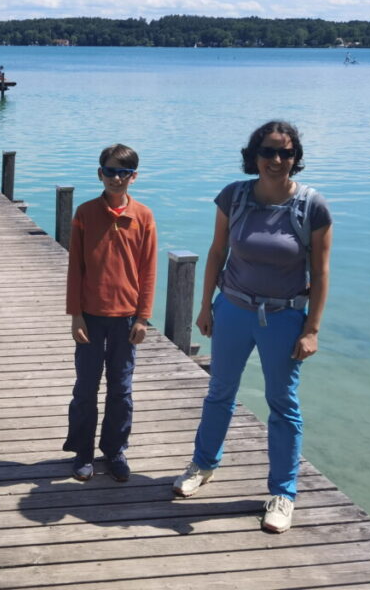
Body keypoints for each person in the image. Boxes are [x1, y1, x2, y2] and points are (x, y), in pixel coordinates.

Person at [172, 120, 333, 534]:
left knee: (282, 403)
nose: (276, 160)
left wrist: (312, 328)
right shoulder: (235, 196)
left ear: (295, 158)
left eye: (285, 152)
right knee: (219, 392)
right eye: (268, 151)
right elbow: (217, 251)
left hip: (284, 318)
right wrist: (205, 305)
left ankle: (283, 493)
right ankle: (203, 464)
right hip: (234, 310)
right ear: (254, 155)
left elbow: (321, 271)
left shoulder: (312, 206)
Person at [63, 144, 157, 483]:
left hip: (127, 320)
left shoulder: (143, 216)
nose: (116, 178)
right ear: (99, 173)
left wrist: (143, 317)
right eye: (110, 171)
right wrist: (75, 315)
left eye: (123, 172)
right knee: (86, 387)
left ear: (134, 176)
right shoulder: (85, 214)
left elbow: (148, 271)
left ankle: (115, 449)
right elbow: (76, 268)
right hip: (90, 316)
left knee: (122, 388)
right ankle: (83, 451)